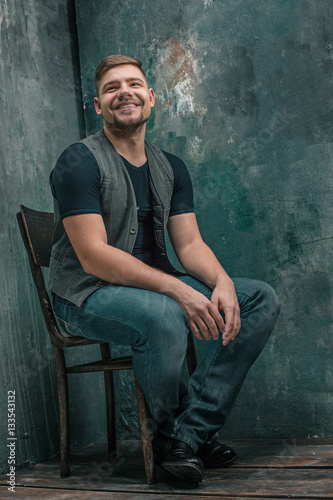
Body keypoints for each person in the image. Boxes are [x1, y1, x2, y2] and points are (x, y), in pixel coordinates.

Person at [49, 54, 280, 484]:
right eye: (112, 87)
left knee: (258, 298)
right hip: (84, 293)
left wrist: (223, 281)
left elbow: (188, 244)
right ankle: (178, 439)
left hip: (149, 285)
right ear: (98, 106)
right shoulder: (77, 162)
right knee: (164, 313)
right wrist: (177, 292)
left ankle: (185, 436)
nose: (125, 93)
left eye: (134, 84)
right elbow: (94, 257)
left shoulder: (170, 166)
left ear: (151, 98)